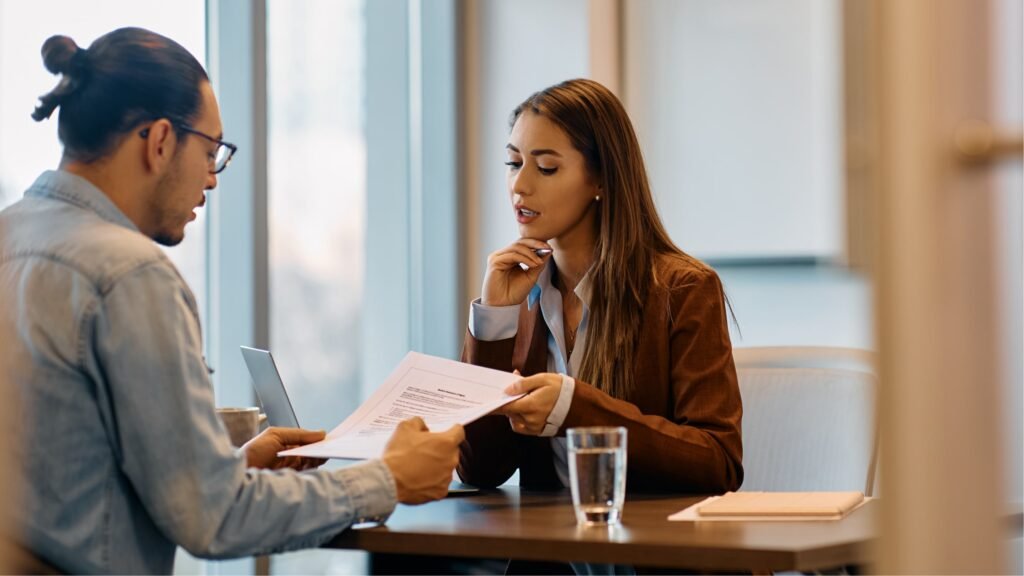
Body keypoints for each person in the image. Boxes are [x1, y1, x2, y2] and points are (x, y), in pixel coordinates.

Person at [0, 28, 464, 574]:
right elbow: (213, 519)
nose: (212, 181)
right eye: (211, 151)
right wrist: (388, 478)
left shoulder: (14, 237)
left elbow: (67, 473)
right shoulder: (129, 275)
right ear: (160, 141)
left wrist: (226, 467)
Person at [458, 78, 743, 495]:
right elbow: (480, 469)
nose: (520, 185)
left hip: (648, 554)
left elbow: (718, 463)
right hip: (554, 555)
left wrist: (575, 409)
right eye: (514, 163)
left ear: (602, 180)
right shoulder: (518, 297)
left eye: (546, 167)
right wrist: (494, 319)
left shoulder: (682, 289)